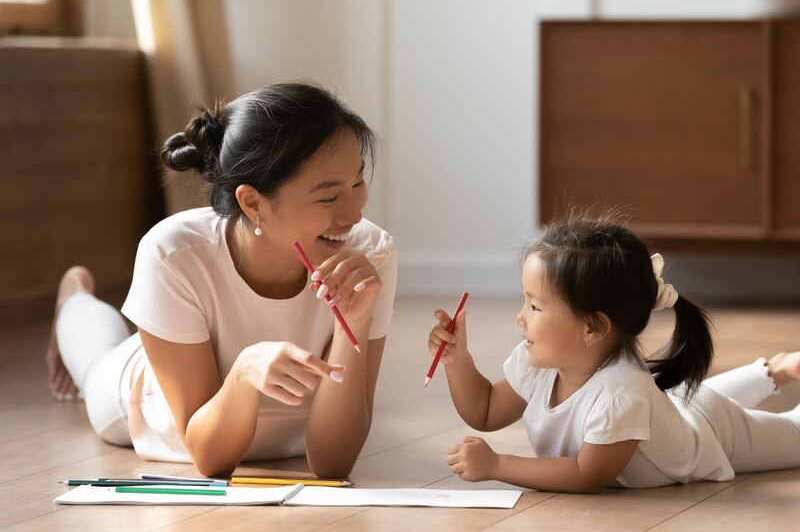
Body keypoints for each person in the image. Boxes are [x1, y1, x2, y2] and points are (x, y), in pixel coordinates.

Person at [46, 81, 397, 478]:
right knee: (95, 359)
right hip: (151, 405)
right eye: (329, 198)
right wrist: (244, 373)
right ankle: (73, 297)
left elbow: (333, 464)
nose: (353, 214)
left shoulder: (370, 253)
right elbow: (210, 458)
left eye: (357, 183)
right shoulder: (173, 254)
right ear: (252, 202)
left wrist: (355, 321)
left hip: (286, 439)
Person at [427, 212, 800, 492]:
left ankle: (777, 371)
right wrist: (458, 360)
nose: (520, 318)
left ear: (593, 327)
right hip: (678, 408)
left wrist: (497, 465)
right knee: (692, 402)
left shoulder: (623, 393)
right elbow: (486, 410)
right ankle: (775, 370)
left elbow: (586, 474)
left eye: (536, 307)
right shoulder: (541, 362)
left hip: (715, 434)